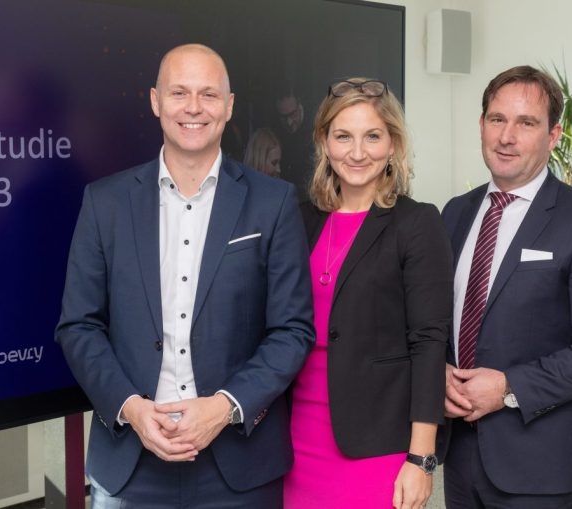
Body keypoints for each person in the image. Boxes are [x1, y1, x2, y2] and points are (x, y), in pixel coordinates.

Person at [55, 43, 314, 508]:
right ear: (156, 101)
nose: (193, 107)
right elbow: (79, 325)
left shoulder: (273, 202)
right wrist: (131, 409)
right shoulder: (105, 202)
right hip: (130, 465)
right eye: (179, 93)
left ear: (229, 106)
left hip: (240, 467)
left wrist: (222, 408)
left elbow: (292, 330)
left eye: (208, 95)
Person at [439, 65, 572, 508]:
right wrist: (436, 373)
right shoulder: (455, 213)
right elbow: (439, 318)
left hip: (541, 464)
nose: (506, 136)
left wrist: (508, 387)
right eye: (497, 119)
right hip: (459, 453)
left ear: (553, 136)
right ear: (481, 125)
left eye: (526, 123)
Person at [284, 78, 453, 509]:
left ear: (393, 143)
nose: (357, 153)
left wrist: (421, 458)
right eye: (343, 136)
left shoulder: (417, 224)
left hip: (378, 441)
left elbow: (429, 343)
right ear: (323, 141)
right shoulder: (298, 219)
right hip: (296, 434)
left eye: (373, 136)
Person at [274, 86, 314, 198]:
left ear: (299, 104)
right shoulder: (277, 131)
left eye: (292, 114)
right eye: (283, 117)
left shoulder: (316, 126)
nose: (289, 121)